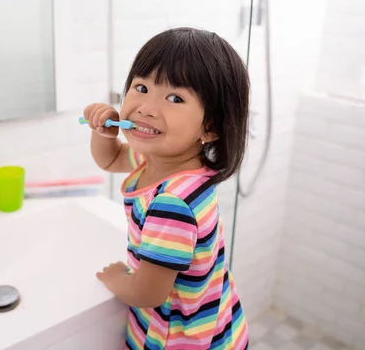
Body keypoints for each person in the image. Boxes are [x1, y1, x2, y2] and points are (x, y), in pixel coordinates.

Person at [84, 27, 250, 349]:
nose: (146, 107)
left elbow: (148, 293)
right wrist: (104, 134)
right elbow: (111, 159)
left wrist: (116, 278)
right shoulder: (163, 158)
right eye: (141, 87)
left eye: (175, 98)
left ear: (211, 126)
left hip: (181, 340)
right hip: (217, 321)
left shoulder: (171, 202)